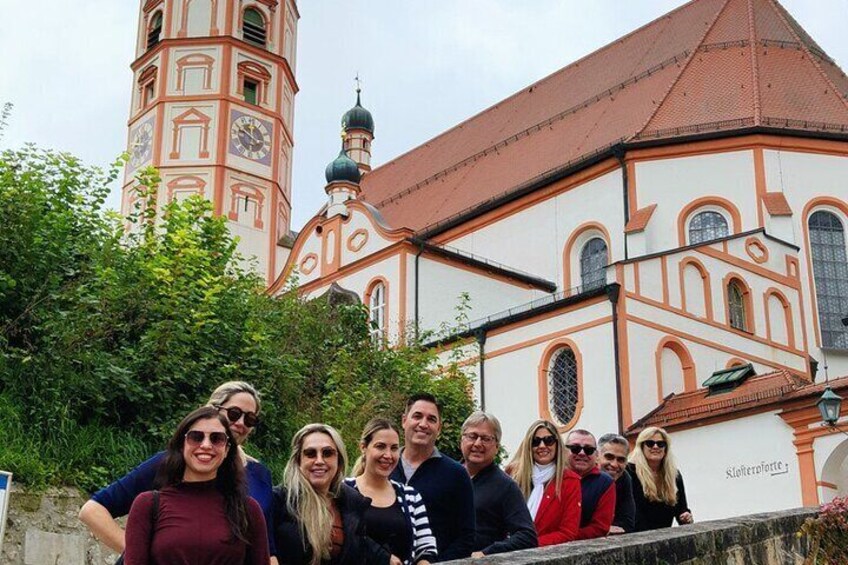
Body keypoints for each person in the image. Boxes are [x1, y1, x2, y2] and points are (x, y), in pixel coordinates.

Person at [79, 381, 278, 563]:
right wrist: (141, 551)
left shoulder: (259, 477)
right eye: (234, 413)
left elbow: (267, 550)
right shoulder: (164, 466)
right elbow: (93, 510)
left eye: (250, 419)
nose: (241, 423)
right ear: (210, 410)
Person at [124, 406, 269, 564]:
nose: (206, 445)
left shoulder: (247, 510)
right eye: (196, 437)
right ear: (182, 444)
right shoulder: (148, 505)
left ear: (227, 449)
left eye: (217, 438)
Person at [273, 423, 390, 565]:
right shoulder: (278, 501)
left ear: (339, 460)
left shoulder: (352, 504)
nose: (319, 461)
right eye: (310, 453)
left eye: (327, 453)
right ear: (298, 460)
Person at [390, 393, 475, 561]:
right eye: (417, 416)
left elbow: (466, 537)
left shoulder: (456, 474)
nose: (423, 424)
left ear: (439, 428)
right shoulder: (385, 467)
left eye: (431, 419)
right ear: (404, 420)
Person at [345, 418, 438, 565]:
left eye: (394, 448)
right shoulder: (344, 491)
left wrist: (424, 561)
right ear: (363, 447)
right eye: (380, 447)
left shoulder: (410, 496)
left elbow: (426, 546)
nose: (388, 455)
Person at [460, 411, 537, 558]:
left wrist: (487, 553)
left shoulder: (506, 486)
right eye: (472, 436)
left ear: (496, 446)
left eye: (486, 439)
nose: (477, 443)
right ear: (461, 440)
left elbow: (527, 536)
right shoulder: (449, 476)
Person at [506, 419, 581, 546]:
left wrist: (529, 544)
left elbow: (568, 532)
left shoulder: (570, 481)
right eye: (536, 441)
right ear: (529, 446)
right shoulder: (513, 473)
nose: (542, 446)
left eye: (548, 440)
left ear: (557, 444)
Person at [627, 426, 693, 531]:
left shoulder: (674, 475)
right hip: (636, 538)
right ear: (642, 446)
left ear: (665, 449)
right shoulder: (629, 472)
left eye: (661, 444)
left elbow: (682, 509)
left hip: (663, 538)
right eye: (650, 443)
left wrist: (686, 517)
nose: (655, 447)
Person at [563, 429, 616, 540]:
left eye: (588, 450)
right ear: (564, 450)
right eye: (575, 448)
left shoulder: (605, 483)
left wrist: (564, 536)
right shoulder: (551, 477)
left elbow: (600, 528)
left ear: (596, 455)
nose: (582, 453)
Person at [598, 433, 635, 534]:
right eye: (609, 457)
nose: (614, 464)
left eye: (621, 459)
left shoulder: (624, 478)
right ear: (597, 456)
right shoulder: (584, 476)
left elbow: (628, 522)